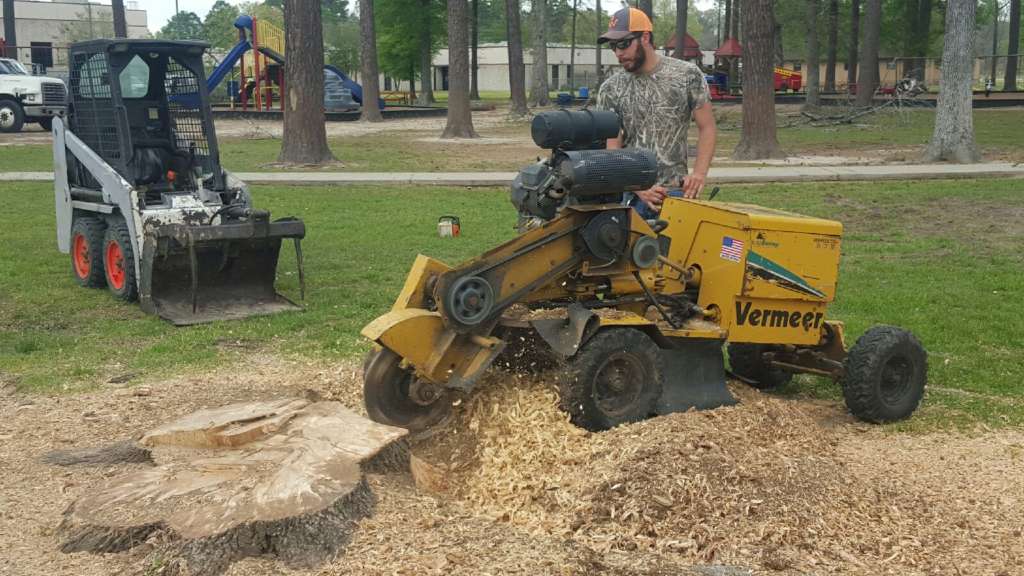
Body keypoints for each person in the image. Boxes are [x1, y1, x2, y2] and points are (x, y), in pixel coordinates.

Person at [595, 6, 717, 217]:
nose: (618, 53)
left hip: (677, 196)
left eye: (623, 44)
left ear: (644, 38)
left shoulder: (686, 75)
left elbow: (707, 127)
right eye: (613, 46)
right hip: (633, 199)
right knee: (633, 250)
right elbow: (612, 149)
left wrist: (699, 174)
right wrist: (637, 188)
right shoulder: (610, 89)